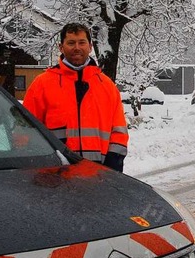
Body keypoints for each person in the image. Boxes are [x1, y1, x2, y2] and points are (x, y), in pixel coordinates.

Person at [23, 23, 129, 172]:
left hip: (99, 176)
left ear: (90, 46)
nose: (77, 48)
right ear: (61, 47)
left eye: (82, 42)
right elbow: (26, 129)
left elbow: (119, 132)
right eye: (71, 43)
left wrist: (113, 164)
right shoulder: (42, 84)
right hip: (55, 177)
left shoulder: (107, 86)